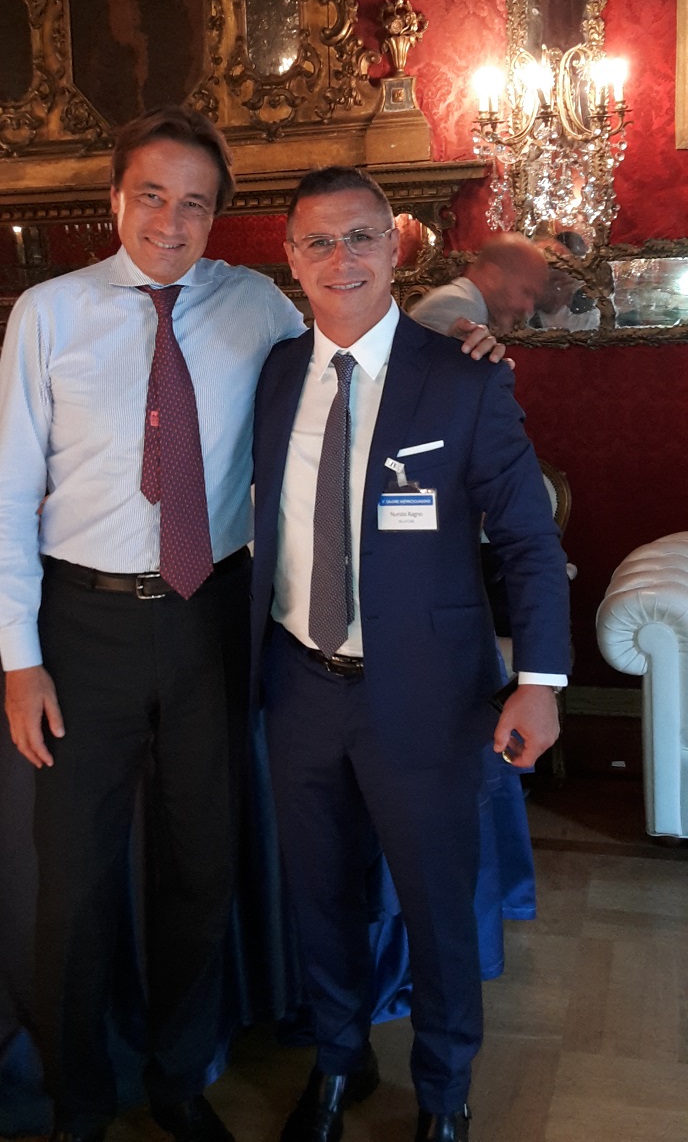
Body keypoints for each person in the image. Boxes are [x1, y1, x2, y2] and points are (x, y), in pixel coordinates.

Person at [0, 106, 308, 1142]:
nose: (172, 221)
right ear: (116, 198)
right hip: (84, 629)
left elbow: (354, 364)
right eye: (153, 195)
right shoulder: (49, 312)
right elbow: (5, 495)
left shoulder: (257, 306)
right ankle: (78, 1100)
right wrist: (21, 661)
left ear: (219, 214)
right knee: (75, 884)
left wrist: (454, 341)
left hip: (211, 620)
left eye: (195, 203)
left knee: (200, 868)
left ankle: (178, 1078)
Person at [250, 167, 570, 1142]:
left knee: (436, 908)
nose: (340, 258)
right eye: (317, 241)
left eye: (359, 236)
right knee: (318, 899)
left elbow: (527, 540)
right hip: (299, 687)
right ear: (291, 258)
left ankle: (442, 1093)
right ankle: (338, 1065)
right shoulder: (272, 375)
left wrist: (540, 681)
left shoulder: (464, 374)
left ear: (395, 245)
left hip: (430, 698)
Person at [409, 231, 550, 337]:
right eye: (526, 292)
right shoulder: (463, 306)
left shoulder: (467, 301)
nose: (529, 307)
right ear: (492, 277)